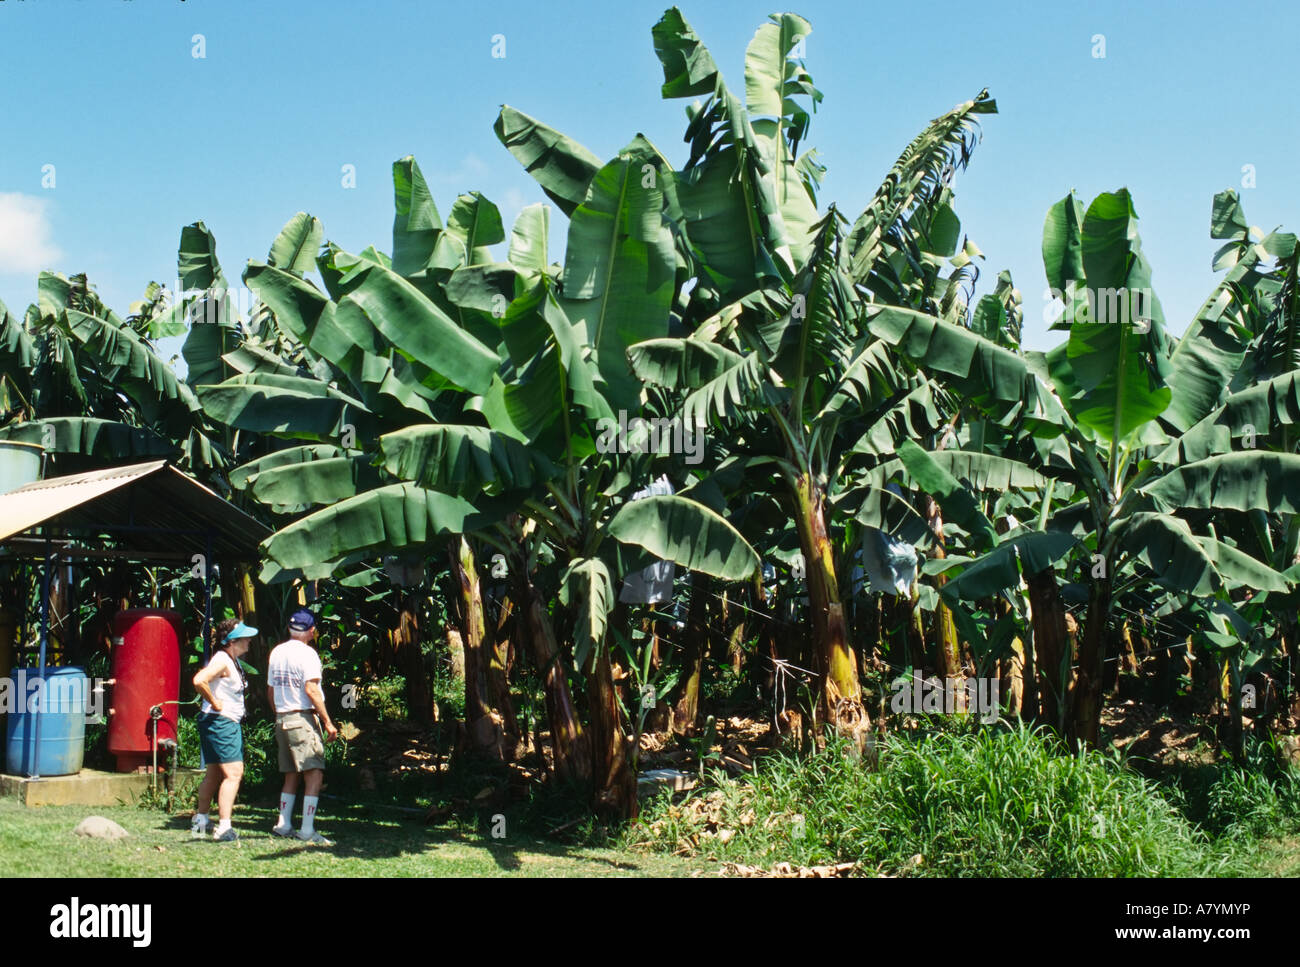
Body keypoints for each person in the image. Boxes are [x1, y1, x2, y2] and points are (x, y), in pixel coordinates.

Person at [267, 608, 338, 845]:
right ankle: (307, 829)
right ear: (311, 630)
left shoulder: (277, 652)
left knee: (291, 772)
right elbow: (311, 690)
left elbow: (271, 690)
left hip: (282, 718)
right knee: (314, 772)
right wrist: (327, 722)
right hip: (302, 718)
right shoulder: (308, 655)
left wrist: (279, 713)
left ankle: (283, 823)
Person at [191, 618, 257, 842]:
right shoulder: (222, 660)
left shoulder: (229, 659)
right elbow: (200, 680)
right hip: (222, 721)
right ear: (232, 641)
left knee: (215, 773)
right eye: (245, 637)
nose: (249, 641)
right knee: (234, 773)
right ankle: (224, 827)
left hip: (216, 722)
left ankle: (201, 819)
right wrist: (215, 701)